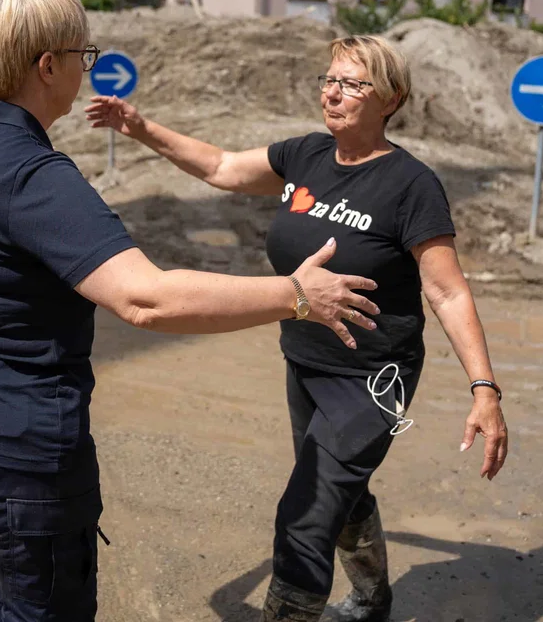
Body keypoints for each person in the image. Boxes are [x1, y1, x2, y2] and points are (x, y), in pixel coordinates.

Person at [0, 0, 382, 622]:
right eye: (82, 55)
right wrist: (296, 294)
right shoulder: (34, 177)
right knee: (39, 605)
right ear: (48, 66)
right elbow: (145, 299)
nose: (86, 69)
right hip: (13, 450)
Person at [86, 34, 509, 622]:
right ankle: (371, 601)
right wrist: (141, 128)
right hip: (307, 364)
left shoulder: (411, 185)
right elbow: (221, 167)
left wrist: (484, 389)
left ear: (391, 99)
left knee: (306, 514)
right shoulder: (306, 154)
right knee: (339, 493)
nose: (332, 93)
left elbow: (447, 290)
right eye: (329, 80)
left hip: (373, 377)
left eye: (352, 84)